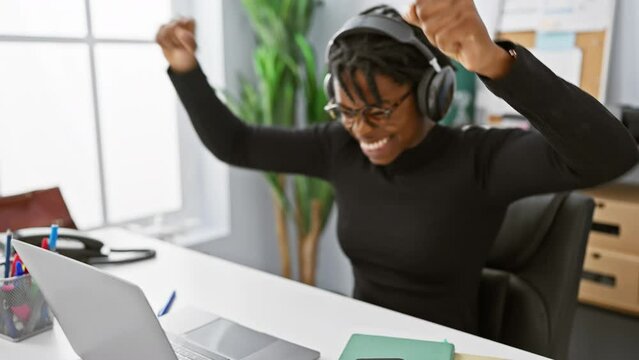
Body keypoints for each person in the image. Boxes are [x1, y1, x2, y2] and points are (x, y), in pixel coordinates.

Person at [156, 1, 638, 333]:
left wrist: (494, 62)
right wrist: (184, 68)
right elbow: (236, 144)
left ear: (434, 95)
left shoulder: (479, 160)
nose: (363, 129)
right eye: (347, 111)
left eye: (380, 110)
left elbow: (612, 155)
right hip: (359, 341)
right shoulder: (338, 147)